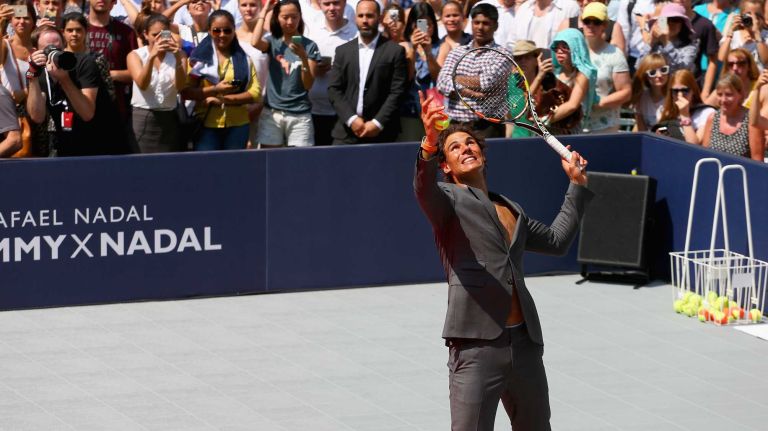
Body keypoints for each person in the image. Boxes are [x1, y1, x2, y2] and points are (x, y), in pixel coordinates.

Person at [414, 89, 592, 431]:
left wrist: (576, 185)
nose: (466, 148)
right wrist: (430, 142)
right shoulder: (446, 201)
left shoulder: (512, 209)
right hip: (475, 347)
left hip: (525, 344)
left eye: (471, 143)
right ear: (446, 167)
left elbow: (556, 241)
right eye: (455, 148)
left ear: (483, 153)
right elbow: (423, 187)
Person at [25, 25, 131, 156]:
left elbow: (87, 113)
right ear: (36, 52)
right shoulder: (37, 72)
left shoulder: (84, 63)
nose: (54, 54)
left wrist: (64, 79)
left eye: (58, 49)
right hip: (66, 146)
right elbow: (37, 116)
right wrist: (33, 78)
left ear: (64, 44)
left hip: (101, 144)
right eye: (48, 49)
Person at [327, 0, 407, 144]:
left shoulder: (395, 51)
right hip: (346, 133)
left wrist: (377, 123)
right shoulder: (342, 52)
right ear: (355, 18)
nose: (365, 20)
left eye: (370, 16)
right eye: (361, 16)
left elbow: (398, 91)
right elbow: (334, 89)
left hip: (383, 134)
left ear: (380, 19)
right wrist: (351, 119)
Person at [182, 10, 260, 150]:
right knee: (207, 163)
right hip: (206, 124)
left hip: (238, 124)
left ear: (234, 31)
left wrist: (223, 100)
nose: (222, 35)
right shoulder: (197, 60)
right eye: (216, 30)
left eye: (227, 30)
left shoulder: (245, 59)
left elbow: (255, 93)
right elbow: (186, 92)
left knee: (234, 163)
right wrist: (214, 89)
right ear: (209, 31)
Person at [251, 0, 320, 147]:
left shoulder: (310, 46)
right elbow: (255, 42)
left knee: (299, 160)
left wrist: (303, 58)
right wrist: (264, 12)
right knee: (269, 159)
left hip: (300, 115)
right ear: (277, 18)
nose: (290, 22)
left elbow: (308, 85)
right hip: (272, 113)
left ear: (300, 16)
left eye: (294, 17)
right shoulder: (272, 41)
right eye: (285, 17)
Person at [436, 3, 509, 138]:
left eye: (486, 23)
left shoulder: (502, 54)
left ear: (495, 26)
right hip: (456, 126)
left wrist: (455, 78)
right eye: (476, 23)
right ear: (471, 24)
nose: (480, 27)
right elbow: (441, 83)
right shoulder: (456, 52)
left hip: (488, 127)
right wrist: (468, 92)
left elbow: (486, 82)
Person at [127, 13, 186, 152]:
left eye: (163, 34)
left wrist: (178, 58)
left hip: (169, 118)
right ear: (145, 35)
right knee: (141, 161)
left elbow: (180, 86)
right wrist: (152, 57)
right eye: (155, 35)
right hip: (142, 117)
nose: (159, 39)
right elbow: (142, 84)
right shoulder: (135, 55)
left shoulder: (180, 55)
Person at [305, 0, 357, 146]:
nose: (331, 8)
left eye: (336, 3)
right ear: (320, 4)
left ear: (345, 3)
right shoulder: (311, 32)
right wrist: (313, 69)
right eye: (327, 4)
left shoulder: (356, 34)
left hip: (345, 114)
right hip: (313, 111)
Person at [87, 0, 138, 133]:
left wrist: (108, 75)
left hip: (115, 108)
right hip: (81, 105)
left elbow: (136, 74)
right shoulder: (75, 29)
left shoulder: (127, 33)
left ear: (114, 2)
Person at [581, 1, 630, 133]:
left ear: (605, 25)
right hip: (576, 126)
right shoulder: (574, 50)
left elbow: (626, 92)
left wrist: (600, 103)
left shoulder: (615, 54)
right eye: (587, 21)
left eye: (596, 22)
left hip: (604, 127)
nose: (591, 25)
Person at [399, 2, 441, 141]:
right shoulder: (403, 47)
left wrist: (428, 52)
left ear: (434, 25)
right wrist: (413, 49)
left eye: (428, 24)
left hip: (435, 110)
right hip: (409, 111)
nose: (424, 29)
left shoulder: (442, 46)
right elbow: (407, 78)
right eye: (420, 24)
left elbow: (439, 79)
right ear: (412, 25)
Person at [701, 73, 764, 160]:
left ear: (740, 94)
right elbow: (704, 155)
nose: (723, 100)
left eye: (728, 94)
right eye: (719, 94)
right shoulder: (712, 118)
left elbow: (757, 161)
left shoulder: (751, 122)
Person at [549, 29, 597, 133]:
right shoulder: (553, 73)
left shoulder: (583, 74)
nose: (559, 51)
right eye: (556, 47)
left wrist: (543, 120)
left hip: (571, 132)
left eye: (565, 47)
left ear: (576, 48)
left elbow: (572, 105)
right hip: (549, 130)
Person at [236, 0, 269, 147]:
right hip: (237, 107)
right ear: (238, 7)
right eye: (244, 5)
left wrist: (261, 104)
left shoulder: (269, 37)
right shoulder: (231, 36)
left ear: (260, 7)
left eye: (253, 5)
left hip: (264, 107)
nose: (248, 9)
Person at [657, 69, 716, 144]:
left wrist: (684, 115)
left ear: (693, 91)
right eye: (675, 91)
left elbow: (694, 146)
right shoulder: (663, 111)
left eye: (685, 90)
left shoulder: (706, 113)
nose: (680, 95)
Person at [641, 3, 698, 74]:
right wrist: (650, 43)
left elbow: (681, 69)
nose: (670, 23)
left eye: (675, 19)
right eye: (667, 19)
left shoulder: (690, 45)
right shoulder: (654, 44)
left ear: (683, 24)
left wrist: (666, 43)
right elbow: (639, 67)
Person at [557, 0, 626, 53]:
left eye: (590, 0)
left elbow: (618, 61)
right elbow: (557, 57)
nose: (585, 2)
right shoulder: (566, 24)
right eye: (580, 0)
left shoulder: (614, 27)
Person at [718, 0, 768, 71]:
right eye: (748, 14)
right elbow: (721, 59)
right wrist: (730, 32)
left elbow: (766, 61)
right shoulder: (734, 36)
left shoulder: (766, 36)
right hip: (736, 77)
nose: (753, 19)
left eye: (757, 15)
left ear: (763, 16)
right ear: (741, 15)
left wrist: (757, 33)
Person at [509, 0, 580, 49]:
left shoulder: (569, 7)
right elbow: (511, 43)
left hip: (555, 65)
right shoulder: (524, 9)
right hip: (524, 65)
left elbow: (574, 45)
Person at [631, 52, 669, 131]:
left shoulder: (674, 96)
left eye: (663, 70)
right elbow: (641, 129)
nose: (659, 75)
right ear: (646, 76)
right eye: (652, 72)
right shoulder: (640, 98)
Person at [436, 0, 471, 67]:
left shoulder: (473, 42)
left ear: (463, 17)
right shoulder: (437, 46)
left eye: (455, 15)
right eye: (447, 16)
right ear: (441, 19)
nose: (451, 19)